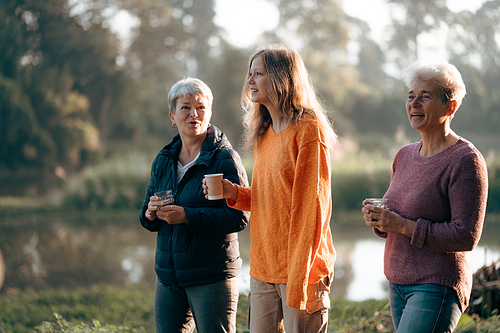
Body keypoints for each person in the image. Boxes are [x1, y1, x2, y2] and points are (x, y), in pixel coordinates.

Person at [204, 44, 338, 333]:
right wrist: (234, 193)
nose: (249, 81)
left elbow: (310, 211)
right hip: (264, 266)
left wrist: (298, 280)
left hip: (301, 270)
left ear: (281, 78)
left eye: (258, 74)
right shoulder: (264, 132)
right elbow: (271, 197)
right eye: (249, 74)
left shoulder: (308, 129)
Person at [362, 61, 488, 333]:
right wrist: (379, 220)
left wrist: (402, 226)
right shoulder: (404, 155)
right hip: (397, 281)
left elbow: (465, 235)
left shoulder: (466, 160)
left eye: (425, 96)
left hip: (437, 283)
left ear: (450, 106)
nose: (414, 103)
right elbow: (395, 214)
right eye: (411, 96)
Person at [139, 77, 249, 333]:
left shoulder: (224, 158)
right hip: (168, 277)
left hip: (211, 275)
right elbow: (145, 219)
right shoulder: (163, 160)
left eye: (201, 107)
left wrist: (187, 216)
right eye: (185, 107)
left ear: (209, 113)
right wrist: (151, 212)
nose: (193, 114)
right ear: (172, 115)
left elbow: (239, 218)